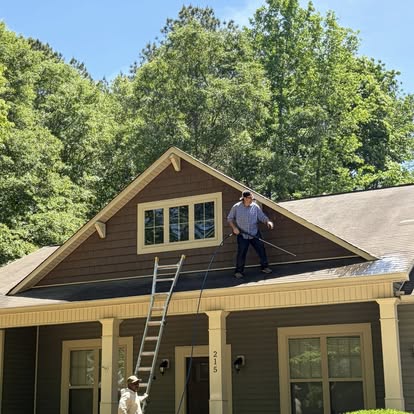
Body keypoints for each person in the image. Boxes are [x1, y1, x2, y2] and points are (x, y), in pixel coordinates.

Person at [227, 190, 274, 279]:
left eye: (252, 198)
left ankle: (264, 267)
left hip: (254, 233)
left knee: (261, 249)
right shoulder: (236, 207)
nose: (252, 199)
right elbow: (229, 219)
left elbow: (262, 217)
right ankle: (238, 272)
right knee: (241, 253)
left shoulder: (255, 207)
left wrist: (268, 222)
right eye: (250, 198)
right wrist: (234, 228)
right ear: (244, 198)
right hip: (242, 234)